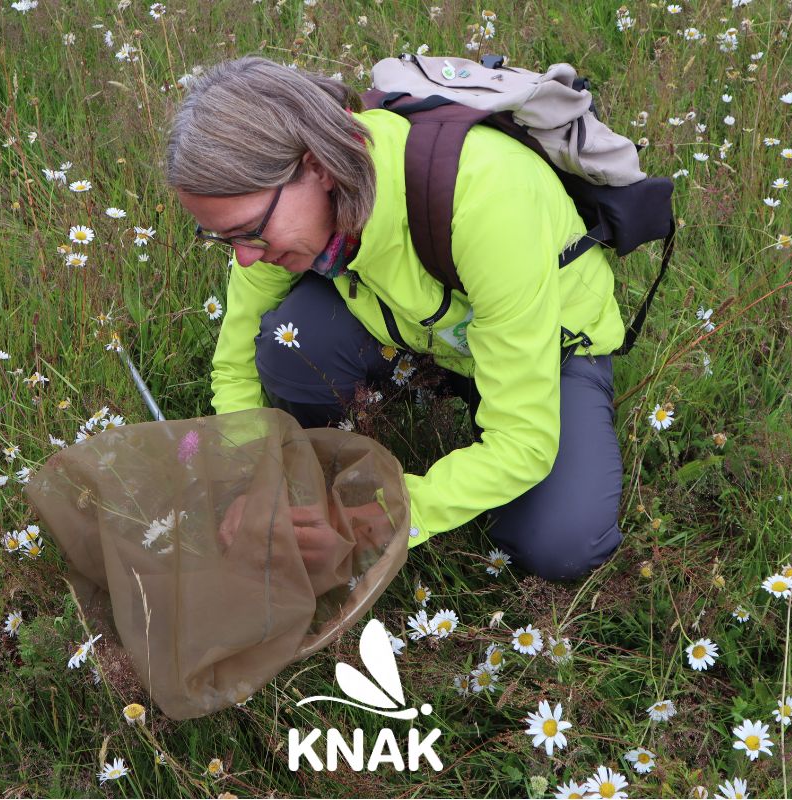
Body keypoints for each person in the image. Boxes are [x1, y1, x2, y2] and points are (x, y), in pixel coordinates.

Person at [166, 56, 624, 582]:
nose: (243, 258)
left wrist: (387, 516)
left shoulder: (486, 199)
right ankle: (338, 458)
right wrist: (249, 478)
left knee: (559, 543)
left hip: (551, 347)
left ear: (317, 166)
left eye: (248, 232)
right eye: (223, 240)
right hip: (423, 333)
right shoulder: (275, 216)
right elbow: (237, 361)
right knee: (286, 346)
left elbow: (522, 442)